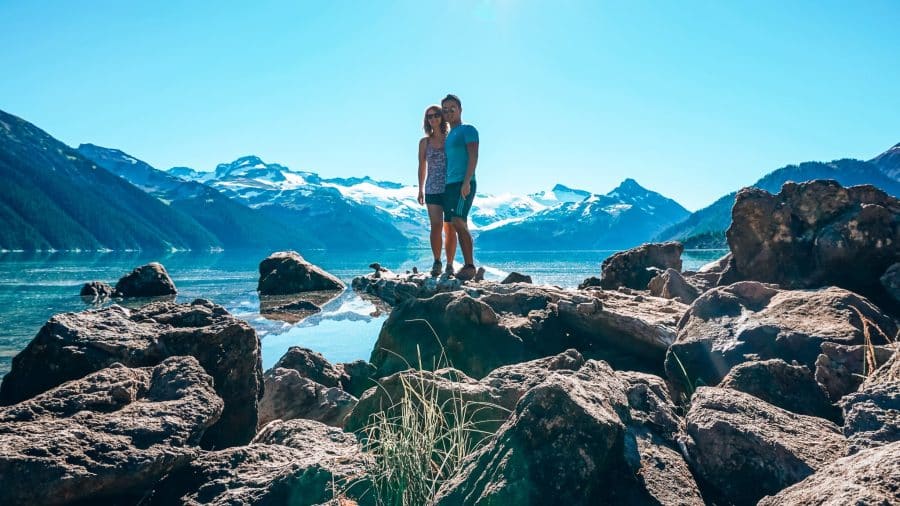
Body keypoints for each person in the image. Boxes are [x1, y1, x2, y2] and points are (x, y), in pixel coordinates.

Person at [441, 94, 478, 281]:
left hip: (464, 183)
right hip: (449, 185)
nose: (448, 112)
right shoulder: (448, 137)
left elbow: (473, 157)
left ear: (460, 109)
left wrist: (466, 181)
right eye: (445, 110)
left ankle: (470, 266)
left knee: (459, 220)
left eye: (452, 108)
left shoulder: (468, 130)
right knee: (452, 223)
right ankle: (459, 266)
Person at [417, 104, 457, 276]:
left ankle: (450, 264)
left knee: (450, 227)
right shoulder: (424, 142)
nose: (433, 118)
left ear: (442, 117)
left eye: (436, 115)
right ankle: (437, 262)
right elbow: (422, 166)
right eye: (429, 116)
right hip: (432, 188)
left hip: (450, 188)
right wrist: (420, 189)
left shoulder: (451, 139)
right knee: (435, 226)